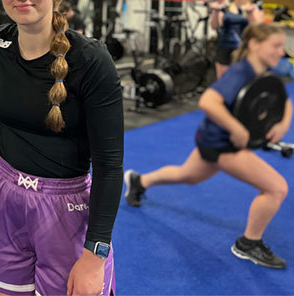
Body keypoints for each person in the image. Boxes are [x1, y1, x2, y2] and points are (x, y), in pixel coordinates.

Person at [0, 0, 123, 296]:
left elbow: (110, 164)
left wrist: (95, 253)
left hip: (64, 207)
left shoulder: (90, 60)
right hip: (4, 192)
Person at [125, 22, 291, 269]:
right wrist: (238, 129)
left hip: (212, 139)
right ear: (255, 45)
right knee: (276, 188)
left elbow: (283, 100)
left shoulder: (263, 71)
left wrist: (282, 125)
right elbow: (208, 101)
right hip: (222, 145)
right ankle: (248, 244)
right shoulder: (240, 72)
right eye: (275, 46)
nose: (281, 51)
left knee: (187, 176)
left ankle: (139, 182)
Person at [210, 0, 263, 79]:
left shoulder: (254, 6)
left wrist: (250, 13)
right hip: (224, 46)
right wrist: (215, 12)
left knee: (242, 79)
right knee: (223, 80)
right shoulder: (226, 6)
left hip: (244, 48)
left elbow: (257, 28)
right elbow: (215, 26)